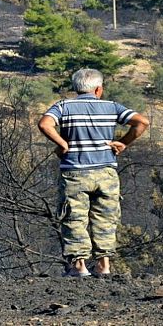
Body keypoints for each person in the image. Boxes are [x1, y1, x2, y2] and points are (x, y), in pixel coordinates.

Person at [38, 68, 149, 277]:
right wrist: (123, 143)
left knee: (74, 218)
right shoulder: (112, 107)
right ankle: (103, 266)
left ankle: (79, 267)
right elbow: (142, 122)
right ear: (99, 89)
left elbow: (44, 124)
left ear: (76, 88)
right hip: (106, 171)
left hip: (74, 172)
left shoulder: (63, 106)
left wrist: (62, 144)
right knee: (105, 218)